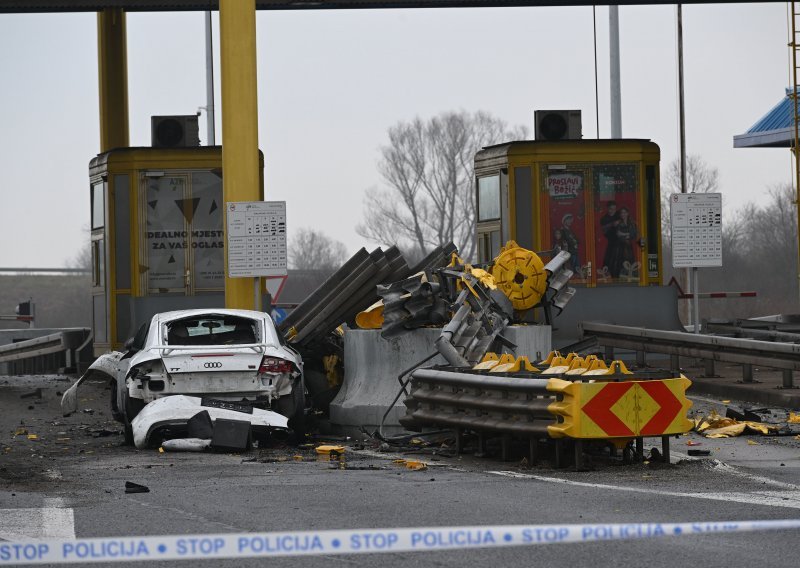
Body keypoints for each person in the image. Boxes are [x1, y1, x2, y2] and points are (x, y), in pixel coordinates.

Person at [606, 206, 637, 278]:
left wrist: (626, 234)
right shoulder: (619, 223)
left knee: (629, 261)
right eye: (622, 213)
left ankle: (629, 276)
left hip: (628, 245)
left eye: (624, 212)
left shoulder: (631, 223)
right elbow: (618, 234)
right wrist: (628, 234)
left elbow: (634, 234)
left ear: (627, 213)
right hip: (620, 246)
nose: (623, 214)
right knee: (619, 261)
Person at [599, 201, 620, 273]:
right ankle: (607, 271)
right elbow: (603, 230)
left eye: (614, 209)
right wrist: (612, 224)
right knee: (609, 256)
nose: (613, 211)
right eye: (611, 209)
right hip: (611, 241)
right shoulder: (604, 219)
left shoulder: (619, 215)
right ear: (607, 209)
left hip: (620, 240)